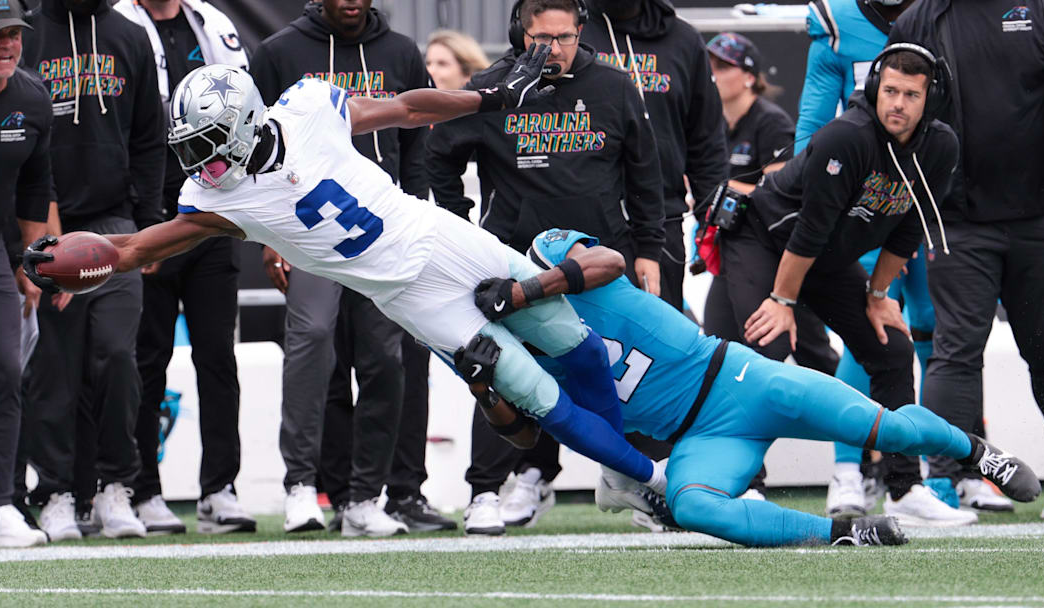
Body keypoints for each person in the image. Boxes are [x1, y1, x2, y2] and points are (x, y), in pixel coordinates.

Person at [25, 57, 670, 533]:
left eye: (209, 148)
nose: (201, 166)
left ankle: (617, 472)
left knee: (572, 341)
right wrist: (66, 257)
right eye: (193, 151)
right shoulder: (217, 200)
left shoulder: (307, 108)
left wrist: (487, 99)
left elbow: (407, 108)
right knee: (533, 392)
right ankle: (649, 483)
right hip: (413, 299)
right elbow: (134, 248)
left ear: (248, 124)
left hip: (442, 237)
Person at [460, 227, 1040, 547]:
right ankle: (842, 533)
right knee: (692, 506)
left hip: (739, 377)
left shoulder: (543, 254)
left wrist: (526, 293)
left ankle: (974, 451)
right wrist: (486, 392)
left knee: (884, 428)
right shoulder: (495, 345)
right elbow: (524, 433)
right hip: (696, 436)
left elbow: (609, 261)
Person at [715, 44, 980, 528]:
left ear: (930, 100)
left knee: (892, 349)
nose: (898, 103)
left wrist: (878, 297)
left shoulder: (940, 146)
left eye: (911, 95)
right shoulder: (847, 137)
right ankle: (744, 486)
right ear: (876, 89)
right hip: (766, 238)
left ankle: (903, 487)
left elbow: (907, 228)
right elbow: (810, 227)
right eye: (891, 91)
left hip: (825, 255)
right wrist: (782, 300)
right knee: (765, 347)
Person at [426, 0, 665, 535]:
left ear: (582, 31)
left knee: (630, 379)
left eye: (564, 37)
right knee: (502, 370)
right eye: (541, 38)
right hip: (514, 265)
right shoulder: (493, 88)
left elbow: (646, 173)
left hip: (602, 262)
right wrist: (460, 230)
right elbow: (437, 154)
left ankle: (638, 485)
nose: (552, 49)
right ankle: (487, 491)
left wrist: (651, 248)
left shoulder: (614, 87)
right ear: (519, 32)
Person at [248, 0, 454, 536]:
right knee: (312, 340)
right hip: (307, 227)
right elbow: (253, 146)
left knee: (386, 358)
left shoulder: (401, 52)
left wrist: (414, 215)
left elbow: (417, 143)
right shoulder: (279, 52)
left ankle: (365, 499)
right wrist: (269, 236)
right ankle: (300, 485)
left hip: (382, 230)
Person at [793, 0, 971, 518]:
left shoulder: (950, 17)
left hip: (924, 193)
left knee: (932, 329)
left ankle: (936, 475)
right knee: (865, 335)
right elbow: (812, 123)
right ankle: (847, 470)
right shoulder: (836, 19)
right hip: (862, 197)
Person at [889, 0, 1044, 521]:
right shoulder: (918, 18)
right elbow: (890, 111)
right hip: (955, 220)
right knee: (956, 350)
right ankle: (942, 479)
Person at [20, 0, 165, 541]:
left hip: (115, 229)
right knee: (55, 371)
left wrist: (148, 229)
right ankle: (57, 492)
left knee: (118, 357)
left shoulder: (129, 36)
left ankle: (114, 487)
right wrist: (34, 234)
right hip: (46, 223)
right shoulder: (29, 35)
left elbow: (151, 139)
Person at [115, 0, 256, 535]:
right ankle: (143, 488)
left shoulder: (212, 22)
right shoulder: (122, 25)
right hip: (153, 215)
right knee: (146, 358)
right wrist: (141, 217)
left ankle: (220, 489)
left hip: (214, 214)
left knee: (218, 357)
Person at [698, 31, 839, 503]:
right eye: (710, 65)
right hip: (729, 260)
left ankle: (869, 457)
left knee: (816, 360)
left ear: (751, 76)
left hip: (780, 263)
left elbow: (785, 184)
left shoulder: (771, 121)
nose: (714, 74)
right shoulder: (709, 122)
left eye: (724, 65)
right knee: (722, 361)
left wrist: (731, 189)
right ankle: (745, 481)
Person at [580, 0, 729, 310]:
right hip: (582, 221)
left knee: (659, 342)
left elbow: (707, 144)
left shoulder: (684, 40)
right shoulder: (568, 32)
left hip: (662, 223)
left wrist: (710, 224)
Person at [0, 1, 50, 548]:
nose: (7, 44)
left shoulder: (31, 99)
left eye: (13, 34)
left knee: (5, 369)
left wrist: (31, 263)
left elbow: (34, 186)